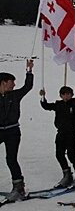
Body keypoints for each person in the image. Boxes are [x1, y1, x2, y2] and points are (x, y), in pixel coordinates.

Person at [39, 86, 75, 188]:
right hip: (60, 133)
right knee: (59, 154)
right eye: (64, 94)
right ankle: (67, 174)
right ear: (60, 95)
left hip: (70, 133)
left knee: (71, 154)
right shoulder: (59, 104)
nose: (66, 96)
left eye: (68, 94)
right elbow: (46, 106)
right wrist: (43, 97)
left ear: (72, 95)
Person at [0, 59, 34, 201]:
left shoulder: (15, 95)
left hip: (13, 131)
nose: (14, 84)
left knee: (11, 159)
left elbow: (28, 86)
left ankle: (19, 187)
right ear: (3, 82)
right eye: (11, 82)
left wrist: (29, 71)